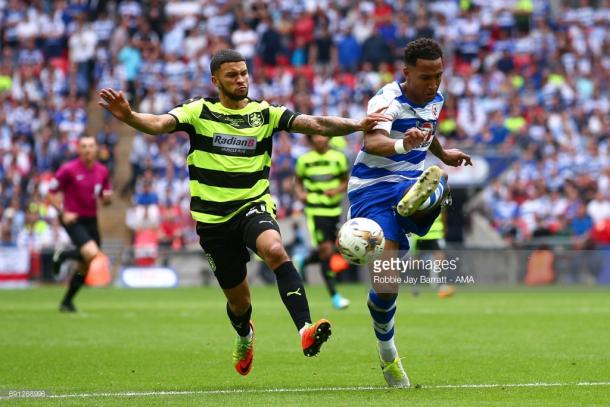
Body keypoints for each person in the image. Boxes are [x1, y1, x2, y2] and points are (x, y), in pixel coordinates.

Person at [98, 49, 389, 376]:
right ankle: (244, 334)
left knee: (276, 250)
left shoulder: (265, 113)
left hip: (253, 205)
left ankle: (305, 329)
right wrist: (130, 116)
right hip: (212, 221)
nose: (241, 80)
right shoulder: (198, 111)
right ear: (215, 80)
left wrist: (356, 124)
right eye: (232, 75)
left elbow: (316, 123)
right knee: (239, 304)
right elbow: (159, 123)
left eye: (244, 73)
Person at [347, 38, 472, 387]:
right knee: (387, 285)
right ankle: (387, 352)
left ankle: (418, 202)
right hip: (371, 189)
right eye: (425, 77)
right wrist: (405, 143)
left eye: (438, 76)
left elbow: (428, 131)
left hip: (407, 182)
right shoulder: (386, 99)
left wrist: (444, 154)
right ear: (406, 73)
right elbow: (372, 141)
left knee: (441, 179)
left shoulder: (436, 100)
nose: (433, 84)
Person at [48, 135, 112, 312]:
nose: (88, 149)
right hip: (73, 219)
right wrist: (63, 212)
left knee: (85, 264)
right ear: (78, 149)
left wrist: (107, 199)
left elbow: (104, 197)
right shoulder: (68, 170)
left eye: (91, 146)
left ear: (96, 148)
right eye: (84, 146)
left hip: (91, 219)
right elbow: (51, 192)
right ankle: (63, 254)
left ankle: (66, 302)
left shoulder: (102, 171)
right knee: (91, 252)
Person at [295, 134, 350, 310]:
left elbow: (345, 181)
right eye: (316, 136)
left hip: (334, 210)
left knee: (336, 248)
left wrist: (336, 190)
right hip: (315, 209)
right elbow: (297, 181)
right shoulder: (304, 160)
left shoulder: (338, 157)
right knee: (326, 251)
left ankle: (304, 260)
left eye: (322, 135)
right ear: (311, 139)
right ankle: (335, 297)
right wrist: (300, 194)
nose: (319, 139)